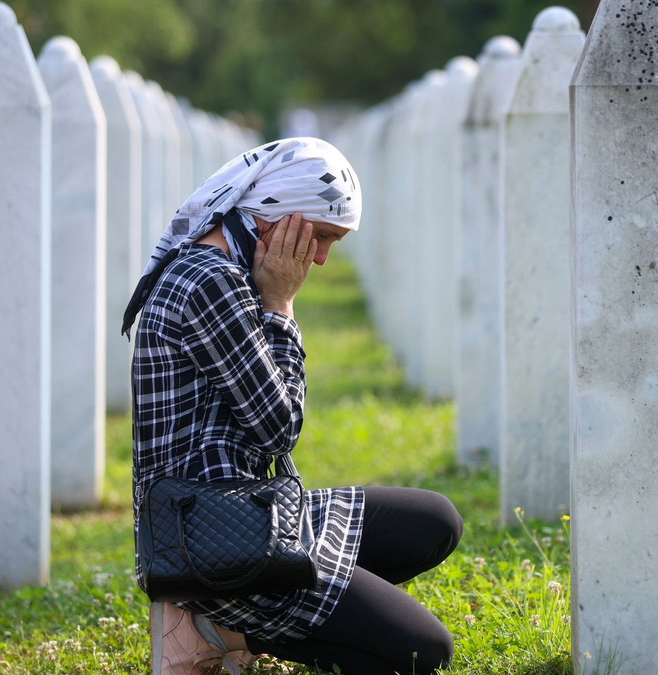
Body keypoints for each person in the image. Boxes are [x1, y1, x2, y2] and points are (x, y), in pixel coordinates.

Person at [123, 137, 463, 675]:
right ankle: (214, 620)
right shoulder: (211, 281)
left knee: (435, 521)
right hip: (214, 543)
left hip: (242, 506)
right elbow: (278, 429)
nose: (323, 257)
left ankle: (214, 628)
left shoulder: (223, 268)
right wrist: (280, 305)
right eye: (322, 236)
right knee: (425, 652)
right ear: (276, 217)